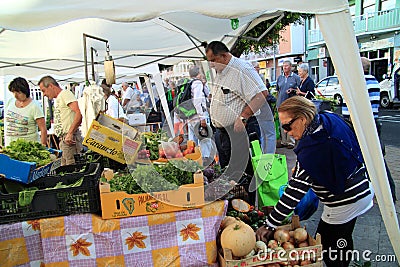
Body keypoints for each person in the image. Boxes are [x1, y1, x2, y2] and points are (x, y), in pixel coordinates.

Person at [256, 96, 374, 267]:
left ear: (303, 119)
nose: (286, 131)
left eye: (287, 126)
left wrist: (269, 224)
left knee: (326, 243)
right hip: (362, 187)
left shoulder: (312, 151)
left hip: (346, 201)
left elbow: (293, 193)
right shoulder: (328, 118)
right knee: (341, 237)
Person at [205, 41, 272, 204]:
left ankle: (247, 211)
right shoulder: (221, 72)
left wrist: (244, 116)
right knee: (228, 175)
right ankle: (234, 210)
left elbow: (261, 93)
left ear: (224, 55)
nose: (211, 65)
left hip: (240, 132)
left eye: (213, 60)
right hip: (223, 134)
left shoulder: (242, 69)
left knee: (243, 174)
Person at [342, 57, 396, 203]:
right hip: (371, 121)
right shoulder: (373, 80)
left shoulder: (358, 81)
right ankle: (386, 192)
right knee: (376, 158)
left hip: (358, 123)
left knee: (359, 157)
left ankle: (374, 191)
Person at [39, 76, 83, 165]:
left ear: (51, 86)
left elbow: (78, 113)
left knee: (71, 168)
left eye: (44, 90)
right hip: (64, 139)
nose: (44, 94)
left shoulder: (65, 94)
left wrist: (70, 133)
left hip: (69, 139)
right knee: (65, 167)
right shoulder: (59, 98)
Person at [185, 65, 215, 166]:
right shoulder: (197, 84)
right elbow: (198, 101)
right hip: (199, 116)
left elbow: (207, 95)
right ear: (199, 73)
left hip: (191, 117)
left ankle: (194, 162)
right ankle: (205, 163)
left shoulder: (189, 83)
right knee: (205, 140)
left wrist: (204, 84)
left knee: (192, 141)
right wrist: (202, 118)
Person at [5, 77, 47, 146]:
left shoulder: (35, 106)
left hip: (29, 147)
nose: (15, 95)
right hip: (10, 145)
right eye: (13, 92)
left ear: (25, 91)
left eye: (18, 92)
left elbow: (43, 129)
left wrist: (42, 145)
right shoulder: (10, 102)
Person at [251, 62, 276, 154]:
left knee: (264, 134)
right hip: (264, 110)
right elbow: (265, 95)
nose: (258, 69)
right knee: (269, 134)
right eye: (257, 67)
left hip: (257, 111)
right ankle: (269, 154)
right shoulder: (257, 80)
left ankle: (264, 153)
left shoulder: (250, 80)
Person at [276, 60, 300, 149]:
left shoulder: (295, 77)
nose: (284, 67)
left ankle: (291, 142)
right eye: (283, 66)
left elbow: (299, 91)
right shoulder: (280, 78)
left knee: (290, 122)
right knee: (282, 123)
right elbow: (278, 90)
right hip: (281, 104)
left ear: (291, 67)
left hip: (290, 105)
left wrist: (292, 90)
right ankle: (284, 141)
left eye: (286, 66)